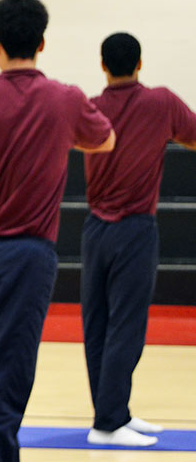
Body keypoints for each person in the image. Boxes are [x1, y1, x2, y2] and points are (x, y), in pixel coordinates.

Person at [0, 0, 115, 462]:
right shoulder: (67, 99)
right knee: (4, 385)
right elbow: (105, 140)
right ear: (43, 42)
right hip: (30, 257)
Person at [80, 32, 196, 447]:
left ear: (102, 64)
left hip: (95, 230)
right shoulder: (160, 102)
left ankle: (113, 412)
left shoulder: (90, 107)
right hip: (134, 230)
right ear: (140, 63)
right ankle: (109, 422)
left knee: (97, 324)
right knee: (126, 325)